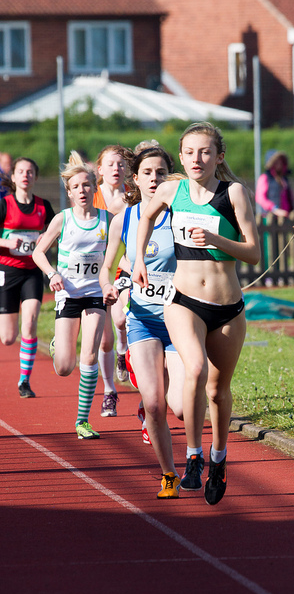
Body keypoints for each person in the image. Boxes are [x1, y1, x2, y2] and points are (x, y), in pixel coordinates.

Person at [132, 122, 260, 506]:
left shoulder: (233, 193)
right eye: (189, 152)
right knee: (196, 369)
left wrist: (218, 240)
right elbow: (146, 217)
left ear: (218, 156)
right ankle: (193, 456)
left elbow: (254, 253)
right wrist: (137, 259)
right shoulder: (172, 190)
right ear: (182, 156)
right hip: (184, 301)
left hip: (227, 308)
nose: (196, 159)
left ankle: (219, 460)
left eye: (204, 152)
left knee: (218, 391)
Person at [99, 143, 185, 499]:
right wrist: (109, 287)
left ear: (170, 177)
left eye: (161, 172)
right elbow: (106, 267)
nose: (154, 179)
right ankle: (169, 475)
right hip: (143, 320)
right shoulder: (125, 219)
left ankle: (200, 454)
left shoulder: (181, 215)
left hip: (180, 320)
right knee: (153, 404)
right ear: (135, 179)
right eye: (147, 173)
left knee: (180, 407)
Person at [32, 151, 112, 439]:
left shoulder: (107, 220)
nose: (82, 190)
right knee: (65, 367)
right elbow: (38, 252)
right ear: (69, 192)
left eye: (86, 185)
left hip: (95, 295)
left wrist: (123, 276)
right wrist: (52, 274)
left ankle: (82, 421)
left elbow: (120, 254)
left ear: (94, 187)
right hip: (67, 294)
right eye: (76, 187)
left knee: (89, 355)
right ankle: (58, 344)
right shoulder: (63, 219)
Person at [0, 157, 55, 397]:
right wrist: (6, 242)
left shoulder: (44, 206)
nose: (25, 175)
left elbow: (58, 230)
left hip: (32, 271)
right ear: (13, 177)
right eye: (21, 171)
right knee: (7, 338)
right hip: (7, 271)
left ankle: (24, 381)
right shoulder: (4, 205)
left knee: (30, 321)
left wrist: (46, 237)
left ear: (35, 177)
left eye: (30, 172)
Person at [93, 145, 132, 416]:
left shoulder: (133, 196)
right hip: (96, 272)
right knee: (103, 340)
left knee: (120, 320)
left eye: (120, 164)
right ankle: (109, 392)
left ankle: (123, 349)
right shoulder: (90, 195)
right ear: (100, 169)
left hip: (122, 267)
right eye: (110, 164)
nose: (116, 169)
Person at [255, 149, 294, 217]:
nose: (279, 164)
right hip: (269, 216)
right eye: (276, 162)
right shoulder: (265, 178)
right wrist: (274, 209)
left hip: (285, 217)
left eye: (280, 162)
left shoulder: (284, 179)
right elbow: (260, 198)